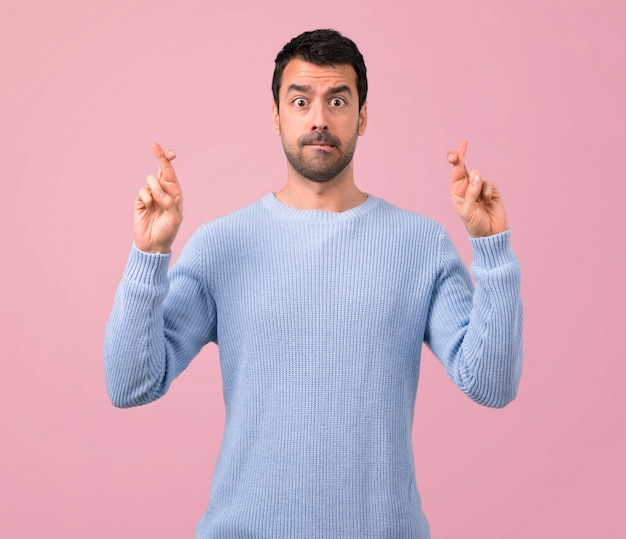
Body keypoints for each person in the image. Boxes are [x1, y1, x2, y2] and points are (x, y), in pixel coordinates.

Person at [104, 29, 522, 538]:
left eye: (338, 100)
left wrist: (492, 249)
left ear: (362, 117)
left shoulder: (421, 244)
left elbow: (492, 384)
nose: (319, 118)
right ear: (276, 115)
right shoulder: (222, 244)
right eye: (300, 100)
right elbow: (130, 383)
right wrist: (150, 254)